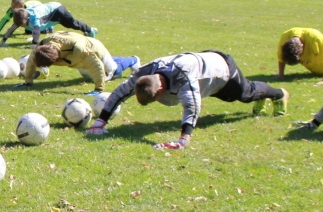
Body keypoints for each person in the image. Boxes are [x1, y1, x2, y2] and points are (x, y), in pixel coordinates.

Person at [86, 51, 288, 149]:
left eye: (157, 99)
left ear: (161, 89)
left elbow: (192, 107)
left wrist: (183, 140)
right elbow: (120, 93)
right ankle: (263, 96)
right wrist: (100, 122)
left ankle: (279, 94)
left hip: (222, 71)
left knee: (246, 94)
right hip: (205, 71)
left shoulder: (184, 79)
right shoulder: (144, 73)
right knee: (244, 96)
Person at [22, 32, 138, 92]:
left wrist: (98, 89)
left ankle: (133, 60)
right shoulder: (42, 47)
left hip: (95, 50)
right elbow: (32, 60)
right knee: (88, 76)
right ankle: (113, 63)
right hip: (79, 56)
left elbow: (96, 64)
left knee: (113, 70)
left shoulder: (78, 50)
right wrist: (28, 81)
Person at [0, 2, 97, 45]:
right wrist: (3, 40)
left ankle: (91, 30)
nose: (22, 26)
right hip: (51, 12)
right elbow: (12, 27)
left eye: (23, 24)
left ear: (27, 18)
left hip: (58, 10)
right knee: (70, 25)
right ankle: (88, 30)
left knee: (73, 24)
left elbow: (36, 31)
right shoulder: (21, 15)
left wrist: (34, 44)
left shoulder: (35, 18)